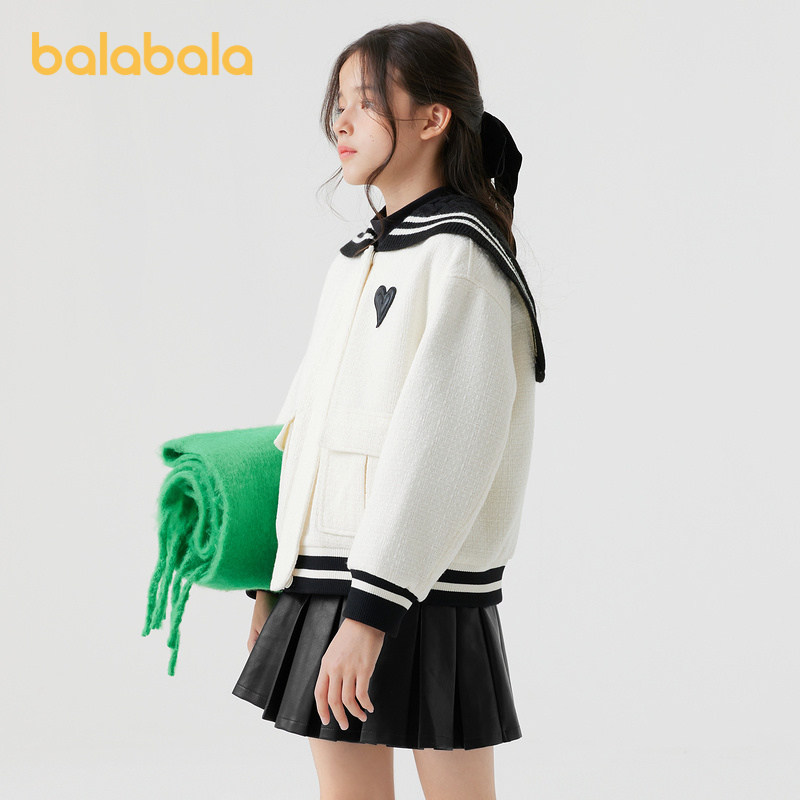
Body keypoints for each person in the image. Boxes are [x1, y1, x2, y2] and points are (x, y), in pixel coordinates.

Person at [232, 20, 546, 800]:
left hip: (416, 585)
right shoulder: (360, 258)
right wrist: (273, 572)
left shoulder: (460, 256)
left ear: (434, 117)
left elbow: (446, 446)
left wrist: (371, 614)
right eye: (338, 102)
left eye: (365, 101)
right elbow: (305, 419)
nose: (341, 122)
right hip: (325, 573)